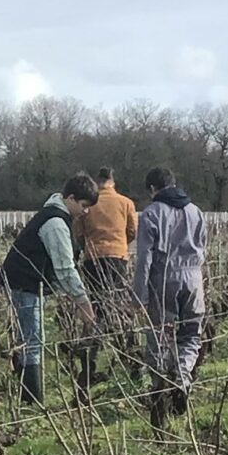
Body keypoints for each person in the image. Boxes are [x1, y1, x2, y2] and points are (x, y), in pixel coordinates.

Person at [0, 175, 94, 403]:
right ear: (70, 198)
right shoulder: (55, 223)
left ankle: (26, 397)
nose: (85, 212)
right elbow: (64, 268)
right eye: (83, 206)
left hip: (26, 282)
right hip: (25, 283)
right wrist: (83, 302)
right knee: (33, 340)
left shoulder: (55, 215)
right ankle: (32, 401)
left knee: (29, 338)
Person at [131, 166, 209, 417]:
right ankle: (182, 378)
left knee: (159, 336)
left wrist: (139, 296)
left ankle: (159, 391)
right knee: (191, 335)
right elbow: (203, 246)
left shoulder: (151, 214)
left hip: (164, 279)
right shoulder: (195, 211)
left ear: (153, 189)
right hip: (194, 279)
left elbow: (144, 258)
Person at [75, 166, 137, 394]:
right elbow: (132, 231)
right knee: (119, 305)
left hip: (93, 258)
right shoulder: (126, 203)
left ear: (97, 181)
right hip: (118, 257)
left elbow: (79, 233)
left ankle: (91, 350)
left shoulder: (89, 203)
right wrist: (120, 244)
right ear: (113, 180)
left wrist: (89, 247)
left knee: (97, 305)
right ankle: (128, 352)